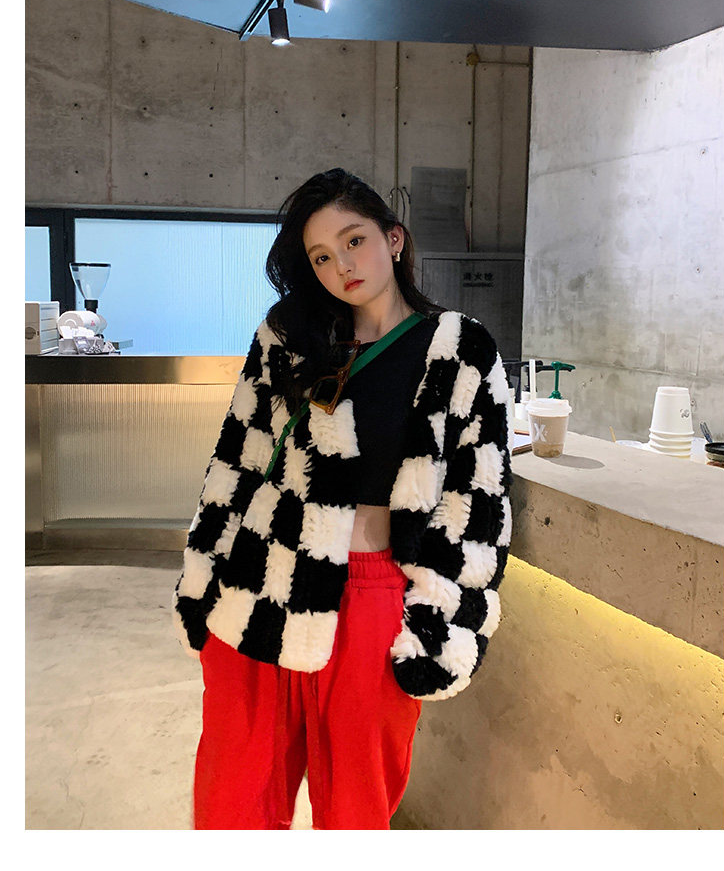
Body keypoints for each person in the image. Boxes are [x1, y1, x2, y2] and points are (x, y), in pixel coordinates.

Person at [172, 167, 514, 830]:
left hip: (373, 595)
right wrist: (199, 585)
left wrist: (443, 622)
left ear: (394, 238)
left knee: (356, 814)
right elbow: (236, 462)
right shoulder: (289, 337)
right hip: (257, 582)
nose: (342, 266)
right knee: (231, 807)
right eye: (321, 257)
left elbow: (477, 498)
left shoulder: (458, 349)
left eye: (354, 241)